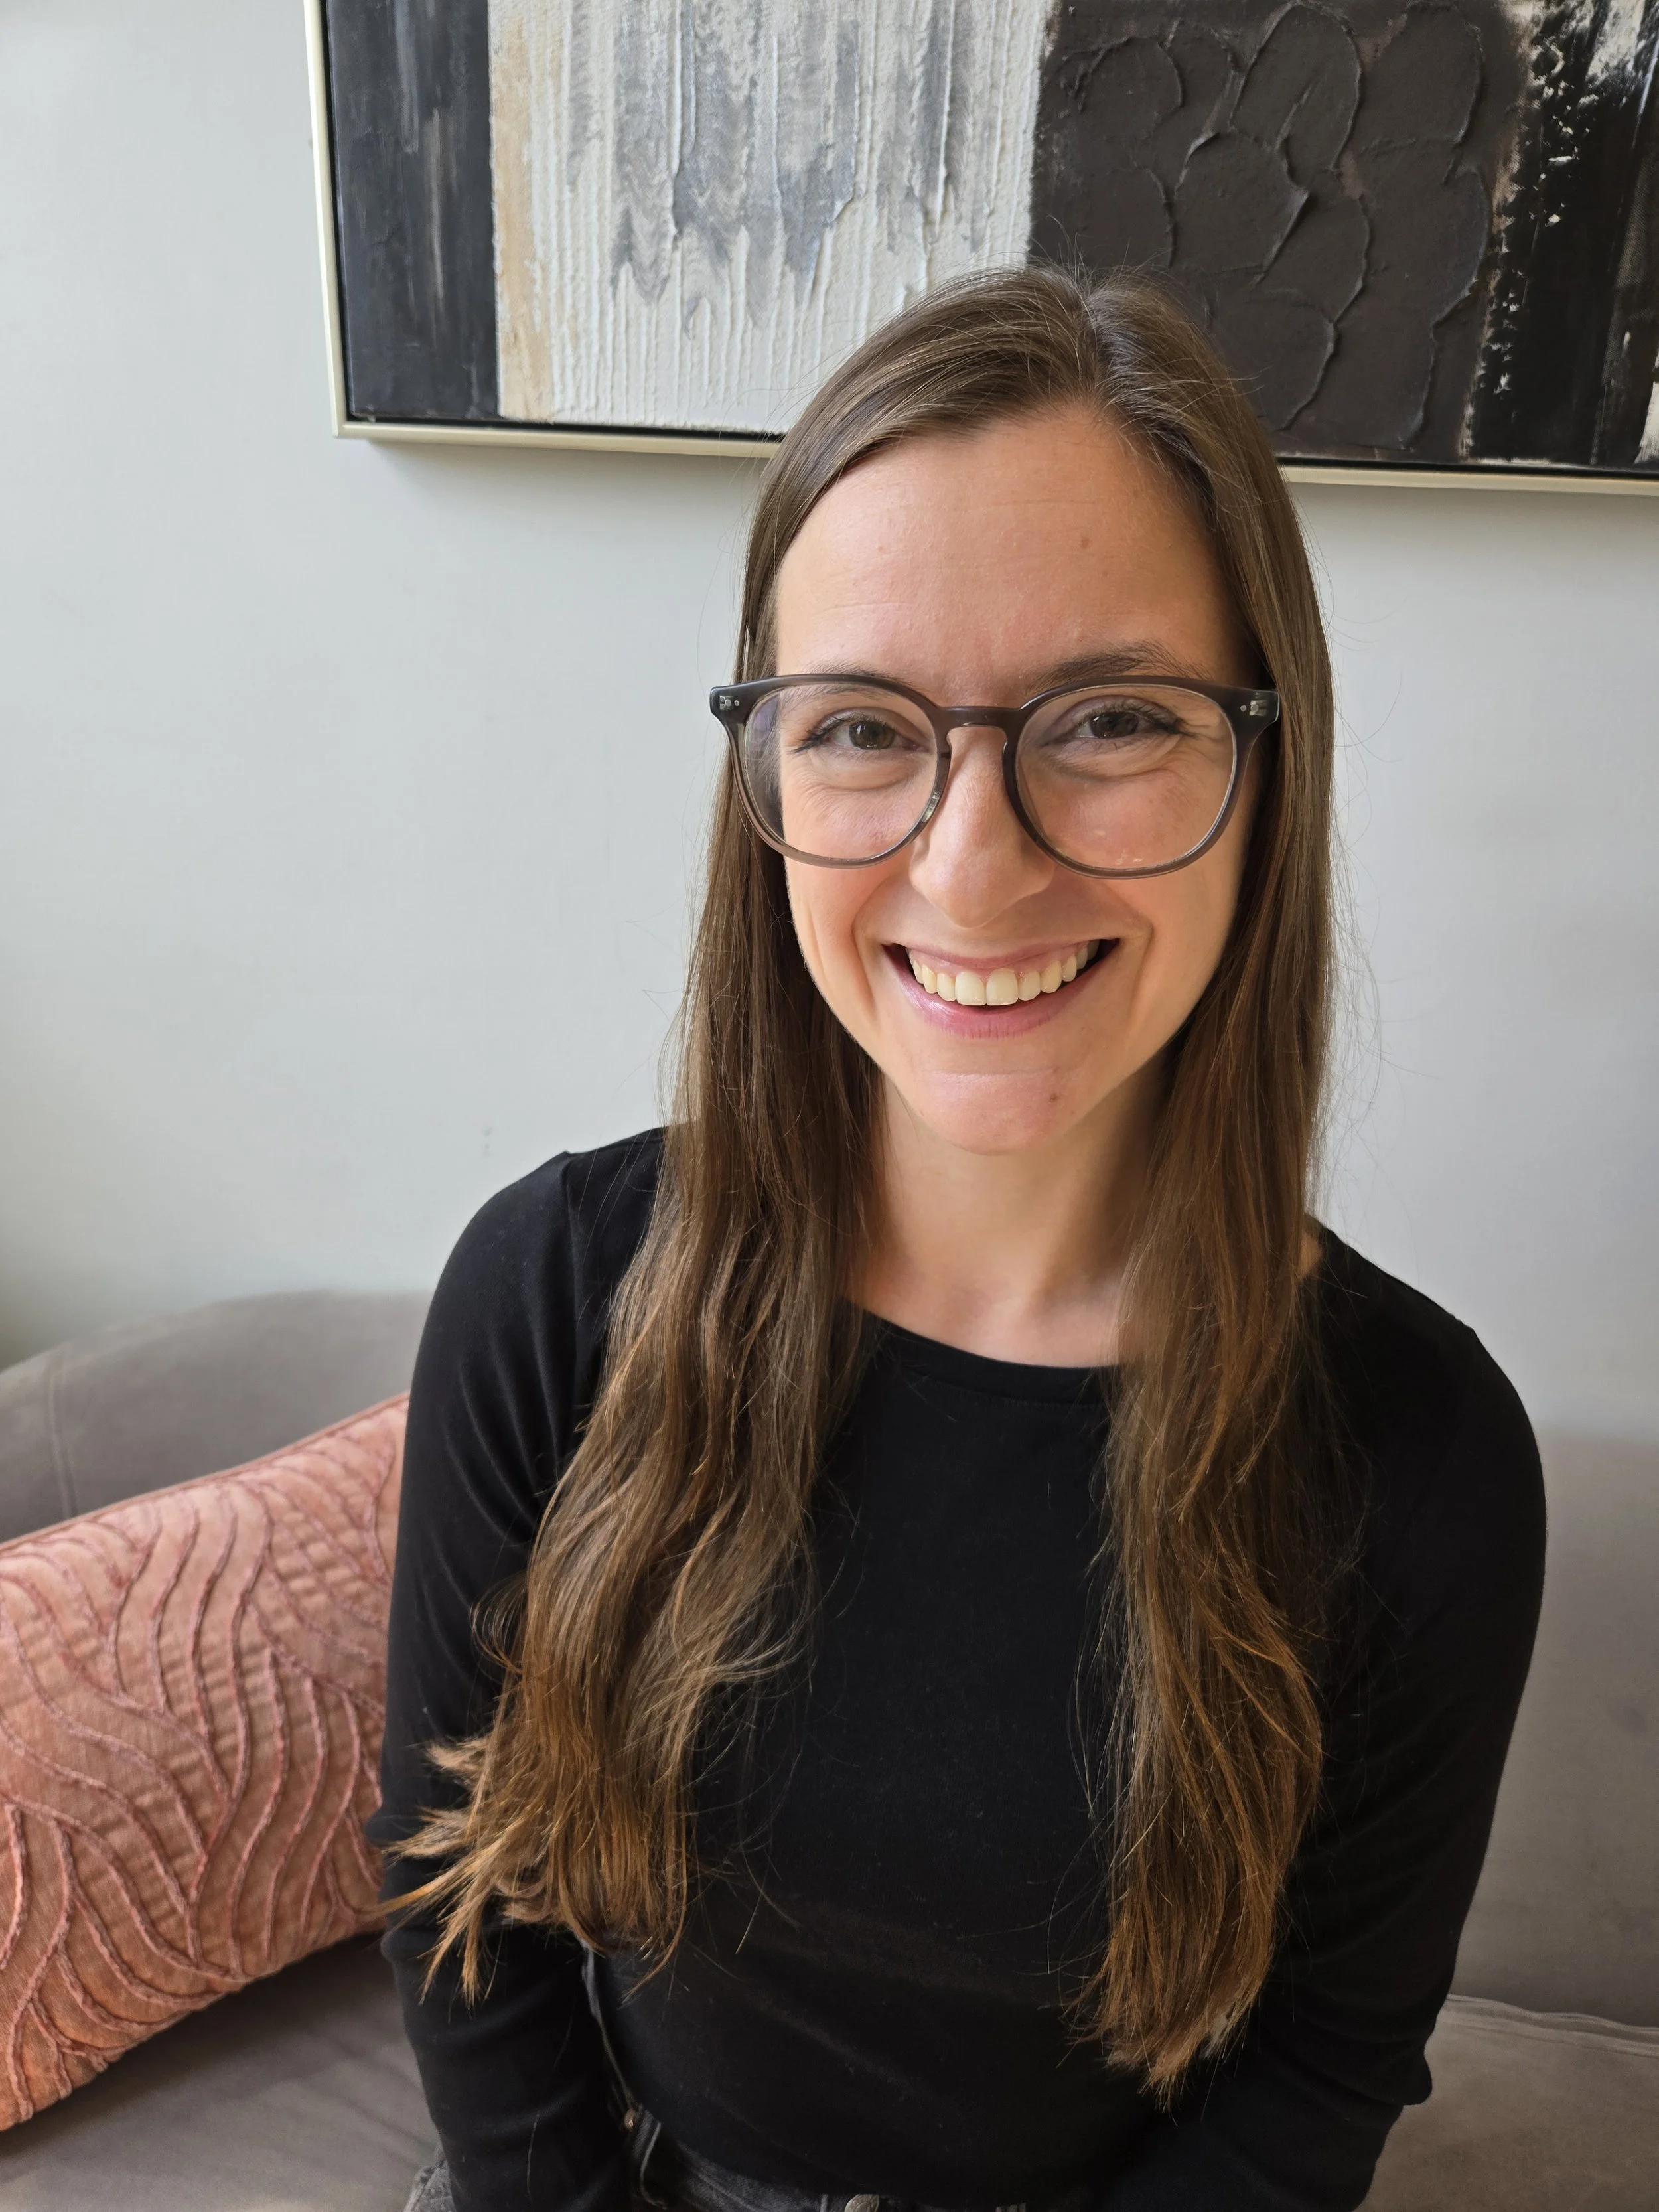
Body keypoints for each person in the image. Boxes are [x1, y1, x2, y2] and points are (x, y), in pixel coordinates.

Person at [370, 267, 1544, 2212]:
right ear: (764, 779)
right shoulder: (552, 1290)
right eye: (859, 727)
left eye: (1111, 718)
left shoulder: (1421, 1454)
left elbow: (1318, 2078)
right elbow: (460, 1892)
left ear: (1268, 765)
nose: (972, 863)